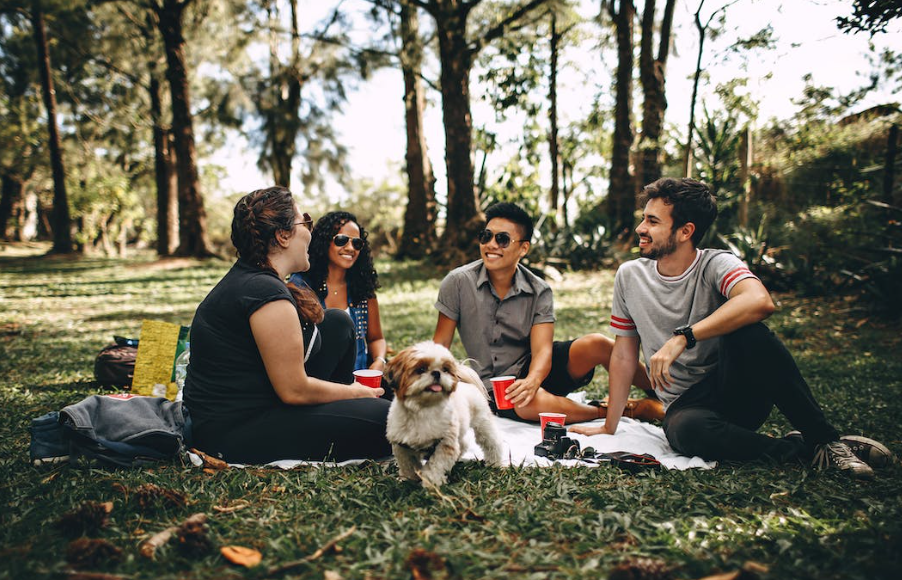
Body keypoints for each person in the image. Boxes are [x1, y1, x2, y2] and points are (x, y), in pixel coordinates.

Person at [570, 177, 891, 479]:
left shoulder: (716, 264)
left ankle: (826, 440)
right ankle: (806, 449)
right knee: (686, 432)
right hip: (686, 408)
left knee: (750, 332)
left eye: (653, 221)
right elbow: (624, 355)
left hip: (736, 390)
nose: (640, 228)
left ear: (685, 231)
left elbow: (759, 301)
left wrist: (684, 336)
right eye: (644, 218)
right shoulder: (630, 276)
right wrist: (609, 426)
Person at [184, 186, 391, 464]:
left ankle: (349, 409)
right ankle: (354, 410)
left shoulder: (257, 279)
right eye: (304, 221)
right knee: (391, 421)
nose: (310, 230)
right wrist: (355, 392)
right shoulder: (264, 293)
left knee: (337, 323)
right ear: (282, 236)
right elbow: (294, 390)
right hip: (235, 429)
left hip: (264, 401)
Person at [432, 201, 663, 424]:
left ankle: (663, 394)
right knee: (526, 403)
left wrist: (533, 380)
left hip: (536, 368)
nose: (491, 244)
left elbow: (543, 351)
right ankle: (621, 410)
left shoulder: (539, 290)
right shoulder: (458, 283)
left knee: (598, 344)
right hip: (494, 386)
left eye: (502, 239)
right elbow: (439, 346)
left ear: (523, 248)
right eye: (486, 236)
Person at [289, 211, 387, 372]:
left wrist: (379, 361)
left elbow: (376, 338)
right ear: (324, 242)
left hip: (360, 382)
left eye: (357, 243)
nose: (350, 248)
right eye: (341, 240)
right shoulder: (300, 287)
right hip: (318, 383)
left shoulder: (362, 288)